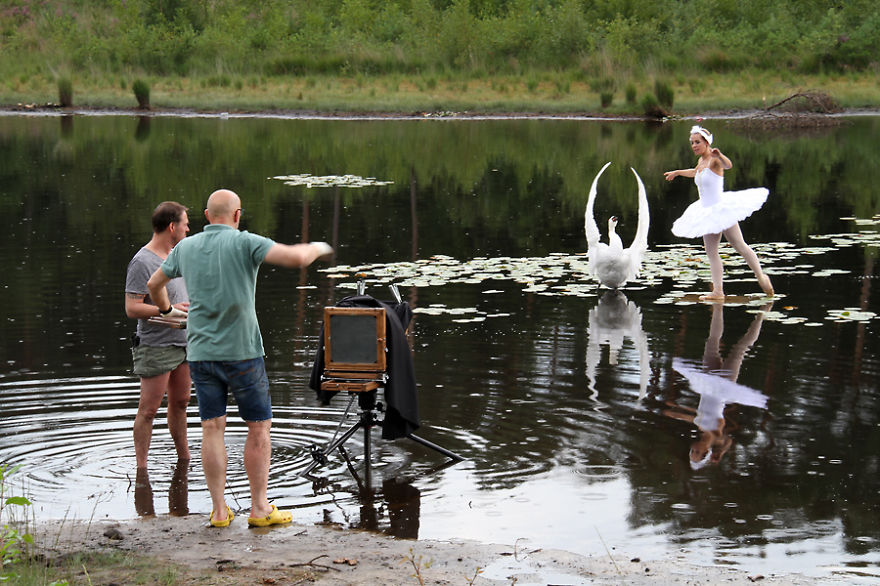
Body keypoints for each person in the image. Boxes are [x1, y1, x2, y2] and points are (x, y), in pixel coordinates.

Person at [147, 188, 333, 528]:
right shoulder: (246, 242)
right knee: (259, 427)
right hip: (243, 352)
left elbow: (154, 282)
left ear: (206, 217)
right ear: (237, 215)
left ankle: (219, 512)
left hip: (201, 353)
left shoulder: (185, 247)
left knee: (211, 427)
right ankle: (259, 509)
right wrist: (320, 248)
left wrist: (167, 310)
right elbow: (296, 258)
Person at [664, 125, 774, 300]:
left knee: (740, 246)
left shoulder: (714, 161)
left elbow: (728, 165)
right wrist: (677, 172)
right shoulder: (701, 162)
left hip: (721, 210)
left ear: (707, 143)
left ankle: (761, 277)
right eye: (692, 143)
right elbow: (695, 172)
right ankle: (718, 291)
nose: (694, 145)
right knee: (711, 252)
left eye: (697, 142)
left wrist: (719, 155)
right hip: (706, 212)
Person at [125, 201, 192, 470]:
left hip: (185, 343)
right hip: (156, 345)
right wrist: (168, 311)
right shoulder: (143, 261)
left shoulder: (178, 255)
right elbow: (132, 307)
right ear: (172, 226)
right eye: (185, 224)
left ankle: (184, 460)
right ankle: (141, 467)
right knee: (149, 410)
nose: (188, 229)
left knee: (181, 403)